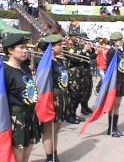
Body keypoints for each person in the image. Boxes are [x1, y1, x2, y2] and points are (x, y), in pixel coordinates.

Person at [3, 34, 41, 162]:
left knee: (28, 148)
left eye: (26, 48)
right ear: (10, 50)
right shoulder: (5, 71)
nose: (26, 51)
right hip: (16, 118)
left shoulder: (25, 69)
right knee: (18, 153)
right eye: (22, 47)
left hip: (30, 115)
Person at [40, 34, 68, 162]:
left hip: (61, 97)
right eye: (58, 45)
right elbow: (43, 83)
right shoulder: (47, 63)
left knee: (56, 128)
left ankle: (55, 153)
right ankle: (49, 156)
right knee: (48, 129)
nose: (61, 46)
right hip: (52, 98)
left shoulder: (59, 60)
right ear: (51, 47)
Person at [106, 32, 124, 138]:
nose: (122, 41)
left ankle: (115, 127)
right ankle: (111, 128)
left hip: (121, 79)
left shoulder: (119, 51)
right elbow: (110, 68)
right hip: (115, 81)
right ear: (115, 41)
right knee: (113, 105)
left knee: (117, 105)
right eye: (120, 40)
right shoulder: (111, 52)